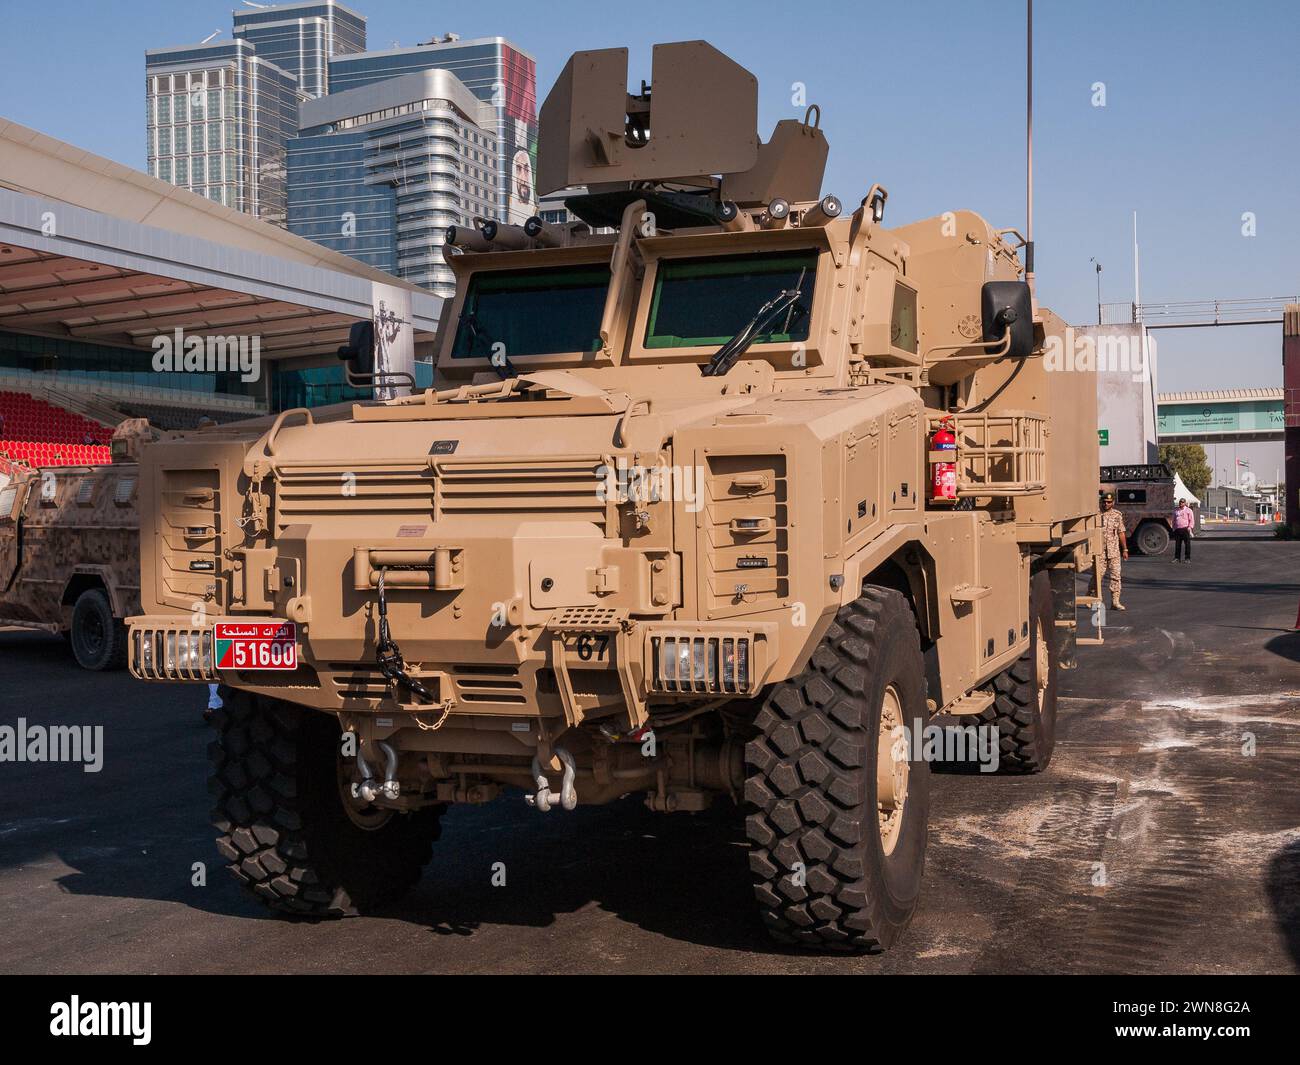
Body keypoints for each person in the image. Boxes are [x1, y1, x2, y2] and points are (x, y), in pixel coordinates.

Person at [1099, 492, 1128, 610]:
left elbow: (1121, 532)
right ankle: (1092, 597)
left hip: (1114, 551)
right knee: (1097, 576)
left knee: (1116, 576)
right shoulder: (1096, 514)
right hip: (1099, 551)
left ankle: (1115, 602)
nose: (1106, 504)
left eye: (1109, 502)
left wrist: (1125, 549)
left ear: (1113, 503)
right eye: (1104, 502)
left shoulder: (1117, 515)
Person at [1172, 498, 1194, 563]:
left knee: (1187, 544)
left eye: (1182, 502)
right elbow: (1173, 520)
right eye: (1180, 502)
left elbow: (1191, 520)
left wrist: (1190, 527)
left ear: (1185, 503)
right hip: (1178, 529)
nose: (1181, 503)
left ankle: (1187, 559)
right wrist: (1173, 528)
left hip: (1185, 529)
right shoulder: (1176, 511)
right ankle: (1177, 558)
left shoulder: (1188, 510)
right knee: (1177, 545)